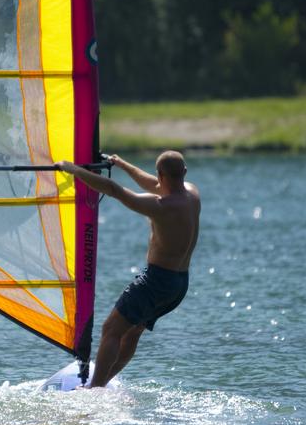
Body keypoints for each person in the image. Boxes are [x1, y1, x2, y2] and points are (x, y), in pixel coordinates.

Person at [56, 151, 201, 388]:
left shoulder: (161, 206)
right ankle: (101, 383)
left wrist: (74, 170)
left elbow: (115, 190)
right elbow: (156, 185)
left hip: (156, 281)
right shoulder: (193, 193)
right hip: (179, 284)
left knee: (111, 329)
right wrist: (122, 164)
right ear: (184, 172)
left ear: (160, 174)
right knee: (132, 332)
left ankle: (94, 389)